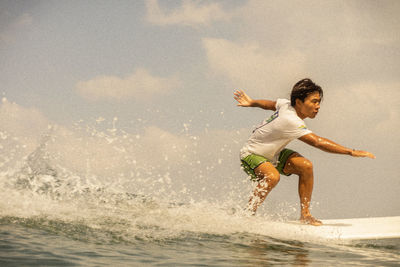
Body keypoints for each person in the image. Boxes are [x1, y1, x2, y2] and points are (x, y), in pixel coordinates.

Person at [234, 78, 375, 226]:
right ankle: (247, 214)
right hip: (251, 154)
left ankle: (305, 215)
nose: (318, 106)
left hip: (274, 154)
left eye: (319, 102)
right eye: (314, 101)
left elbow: (270, 104)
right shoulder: (291, 120)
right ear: (299, 103)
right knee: (272, 176)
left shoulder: (286, 105)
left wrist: (252, 102)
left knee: (305, 166)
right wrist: (351, 152)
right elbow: (317, 142)